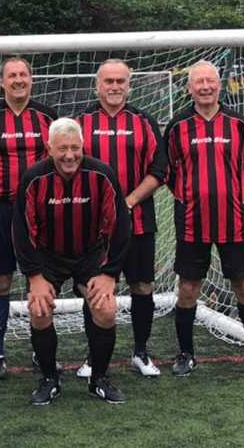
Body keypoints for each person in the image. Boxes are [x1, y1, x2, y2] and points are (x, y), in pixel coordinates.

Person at [164, 60, 244, 377]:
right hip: (192, 221)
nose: (205, 86)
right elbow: (167, 171)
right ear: (189, 87)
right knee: (188, 288)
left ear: (219, 85)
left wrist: (236, 195)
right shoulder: (178, 125)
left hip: (234, 221)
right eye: (199, 82)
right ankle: (186, 354)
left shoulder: (237, 123)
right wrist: (187, 194)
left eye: (210, 81)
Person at [13, 118, 130, 405]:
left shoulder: (101, 174)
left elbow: (120, 225)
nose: (69, 155)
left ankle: (99, 378)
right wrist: (35, 277)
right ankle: (50, 379)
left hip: (89, 254)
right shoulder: (34, 178)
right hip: (47, 257)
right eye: (62, 148)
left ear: (83, 147)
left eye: (75, 148)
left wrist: (109, 274)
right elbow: (22, 230)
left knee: (105, 309)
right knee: (39, 310)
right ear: (49, 148)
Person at [75, 59, 167, 378]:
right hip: (94, 229)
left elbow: (159, 170)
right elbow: (67, 165)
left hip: (139, 222)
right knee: (95, 290)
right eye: (109, 81)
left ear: (130, 85)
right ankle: (93, 356)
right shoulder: (81, 121)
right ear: (97, 85)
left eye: (120, 81)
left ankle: (140, 352)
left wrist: (127, 201)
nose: (115, 86)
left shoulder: (144, 121)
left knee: (142, 285)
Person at [0, 57, 57, 379]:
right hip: (0, 209)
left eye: (23, 74)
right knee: (1, 280)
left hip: (40, 212)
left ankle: (41, 348)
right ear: (2, 81)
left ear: (31, 79)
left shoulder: (48, 116)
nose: (18, 80)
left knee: (41, 280)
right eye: (12, 75)